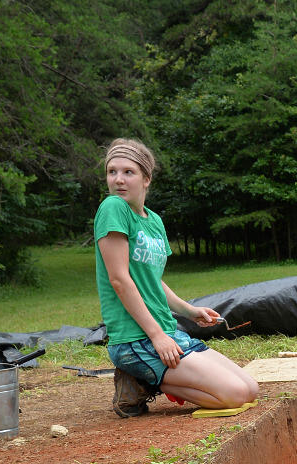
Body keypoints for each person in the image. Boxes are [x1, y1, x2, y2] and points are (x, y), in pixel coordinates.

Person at [94, 139, 259, 418]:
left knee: (250, 388)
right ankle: (144, 380)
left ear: (146, 179)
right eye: (112, 172)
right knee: (234, 395)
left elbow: (152, 279)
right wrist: (157, 336)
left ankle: (144, 378)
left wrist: (190, 311)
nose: (118, 180)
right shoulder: (113, 208)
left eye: (128, 172)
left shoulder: (153, 221)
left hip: (167, 332)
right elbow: (120, 280)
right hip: (137, 340)